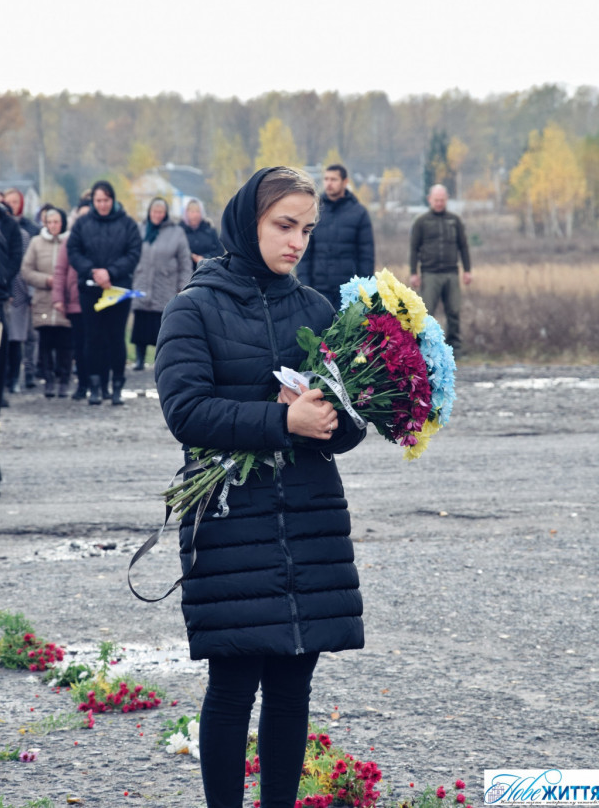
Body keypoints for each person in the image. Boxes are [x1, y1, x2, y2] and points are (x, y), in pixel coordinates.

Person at [154, 167, 366, 808]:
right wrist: (281, 418)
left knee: (294, 682)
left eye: (305, 229)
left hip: (308, 519)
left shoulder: (317, 309)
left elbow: (348, 431)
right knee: (234, 680)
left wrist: (335, 415)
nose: (296, 241)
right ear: (248, 222)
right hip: (232, 521)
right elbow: (186, 411)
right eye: (284, 226)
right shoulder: (195, 306)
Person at [67, 180, 142, 406]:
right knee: (93, 338)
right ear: (93, 201)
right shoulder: (82, 224)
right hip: (90, 289)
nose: (102, 205)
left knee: (116, 338)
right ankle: (95, 387)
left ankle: (117, 386)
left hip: (117, 289)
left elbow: (134, 252)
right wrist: (93, 272)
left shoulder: (127, 224)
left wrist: (110, 272)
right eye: (98, 200)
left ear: (113, 200)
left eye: (106, 200)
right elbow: (73, 250)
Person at [297, 163, 375, 309]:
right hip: (317, 290)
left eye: (334, 179)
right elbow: (304, 252)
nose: (329, 183)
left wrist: (363, 291)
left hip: (348, 292)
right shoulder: (313, 210)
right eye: (326, 179)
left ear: (345, 182)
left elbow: (366, 256)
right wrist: (304, 285)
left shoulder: (359, 213)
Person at [130, 197, 192, 370]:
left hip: (165, 286)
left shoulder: (176, 232)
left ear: (165, 214)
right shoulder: (140, 230)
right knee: (140, 325)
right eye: (154, 212)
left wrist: (184, 286)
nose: (157, 215)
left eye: (160, 212)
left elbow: (185, 262)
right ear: (149, 213)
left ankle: (161, 361)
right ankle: (140, 359)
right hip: (142, 284)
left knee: (162, 328)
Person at [409, 183, 472, 357]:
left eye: (442, 200)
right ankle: (425, 349)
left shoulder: (455, 220)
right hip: (430, 273)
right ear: (430, 199)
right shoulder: (421, 222)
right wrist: (413, 272)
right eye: (436, 200)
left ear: (446, 200)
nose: (439, 203)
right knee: (426, 312)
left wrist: (467, 270)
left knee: (454, 311)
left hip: (451, 273)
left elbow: (463, 246)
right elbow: (414, 248)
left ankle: (455, 348)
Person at [21, 208, 73, 398]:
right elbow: (26, 270)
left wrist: (62, 283)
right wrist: (46, 280)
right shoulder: (36, 243)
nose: (53, 226)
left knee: (65, 344)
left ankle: (64, 380)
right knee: (45, 343)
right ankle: (48, 379)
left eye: (56, 222)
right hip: (43, 300)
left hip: (65, 301)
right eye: (49, 222)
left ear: (63, 223)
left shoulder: (70, 242)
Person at [52, 200, 92, 400]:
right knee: (79, 346)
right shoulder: (70, 241)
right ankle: (82, 384)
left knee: (96, 345)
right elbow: (60, 271)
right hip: (76, 302)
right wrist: (59, 297)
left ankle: (98, 383)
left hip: (97, 302)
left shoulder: (98, 239)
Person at [3, 188, 40, 395]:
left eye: (15, 202)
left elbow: (26, 262)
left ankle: (18, 376)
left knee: (19, 337)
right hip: (4, 286)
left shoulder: (25, 231)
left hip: (19, 288)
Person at [0, 196, 23, 433]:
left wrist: (4, 278)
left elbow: (16, 255)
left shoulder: (9, 224)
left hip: (0, 295)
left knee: (1, 347)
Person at [179, 198, 224, 269]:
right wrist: (191, 256)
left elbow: (220, 250)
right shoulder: (179, 230)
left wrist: (205, 257)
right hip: (185, 271)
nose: (195, 214)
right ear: (186, 213)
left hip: (207, 271)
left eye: (198, 211)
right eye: (192, 211)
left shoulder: (209, 228)